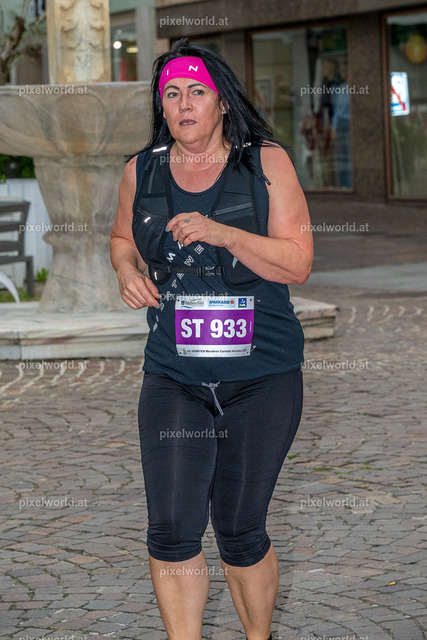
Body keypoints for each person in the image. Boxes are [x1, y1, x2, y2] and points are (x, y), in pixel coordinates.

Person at [110, 37, 313, 640]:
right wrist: (126, 271)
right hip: (174, 376)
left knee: (239, 529)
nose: (183, 104)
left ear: (222, 101)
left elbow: (298, 262)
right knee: (171, 529)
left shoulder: (265, 163)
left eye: (196, 91)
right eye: (171, 93)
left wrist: (224, 234)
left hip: (262, 376)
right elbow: (121, 239)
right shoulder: (141, 169)